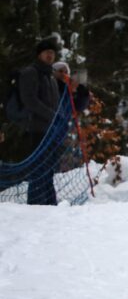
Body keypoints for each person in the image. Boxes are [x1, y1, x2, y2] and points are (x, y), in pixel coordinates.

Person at [17, 38, 63, 205]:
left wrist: (57, 118)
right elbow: (29, 100)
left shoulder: (50, 76)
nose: (50, 55)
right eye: (46, 52)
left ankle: (50, 204)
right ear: (39, 54)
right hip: (35, 129)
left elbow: (55, 102)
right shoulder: (31, 72)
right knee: (38, 169)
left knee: (49, 169)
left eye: (52, 52)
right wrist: (51, 115)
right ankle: (36, 205)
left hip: (49, 130)